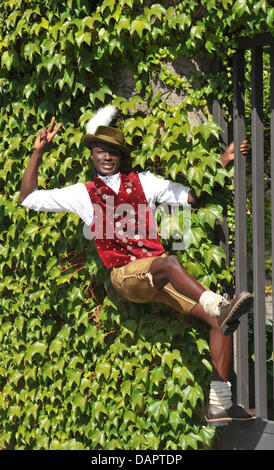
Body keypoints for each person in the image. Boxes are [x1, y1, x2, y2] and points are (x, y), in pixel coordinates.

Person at [19, 106, 255, 426]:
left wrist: (224, 162)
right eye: (101, 151)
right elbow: (28, 198)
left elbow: (189, 197)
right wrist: (37, 152)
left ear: (120, 156)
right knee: (173, 264)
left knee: (218, 322)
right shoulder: (83, 194)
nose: (106, 157)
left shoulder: (144, 182)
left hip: (157, 275)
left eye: (113, 152)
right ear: (92, 154)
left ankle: (218, 404)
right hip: (125, 277)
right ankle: (218, 303)